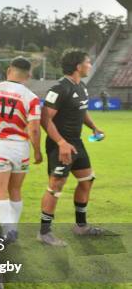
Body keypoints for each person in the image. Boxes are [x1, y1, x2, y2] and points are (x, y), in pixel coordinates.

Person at [38, 49, 106, 246]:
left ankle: (81, 226)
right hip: (59, 145)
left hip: (76, 143)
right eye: (88, 62)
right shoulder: (59, 88)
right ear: (78, 66)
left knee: (87, 180)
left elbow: (82, 111)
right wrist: (61, 143)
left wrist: (93, 127)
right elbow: (45, 118)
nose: (90, 65)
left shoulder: (81, 87)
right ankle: (44, 232)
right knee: (56, 186)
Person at [0, 56, 42, 242]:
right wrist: (37, 151)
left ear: (9, 70)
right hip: (21, 148)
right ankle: (12, 230)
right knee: (16, 189)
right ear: (28, 75)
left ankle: (8, 231)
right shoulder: (31, 97)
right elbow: (34, 129)